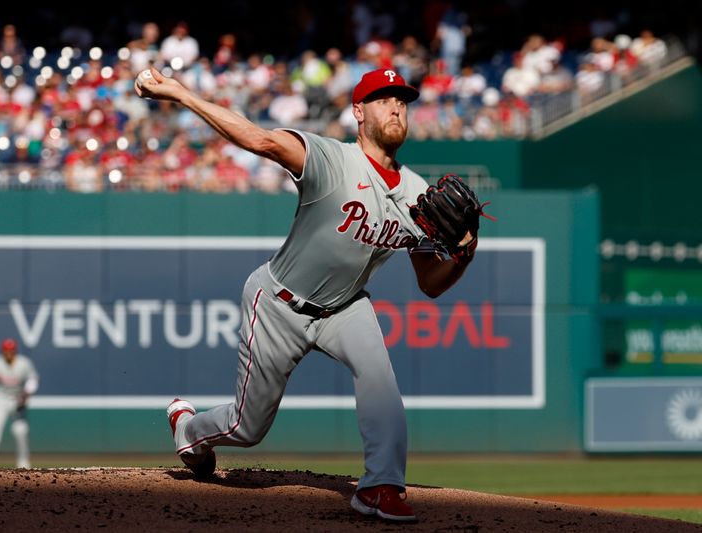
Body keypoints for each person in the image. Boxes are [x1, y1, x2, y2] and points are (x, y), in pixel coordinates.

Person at [134, 66, 478, 522]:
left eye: (403, 100)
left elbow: (429, 284)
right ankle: (188, 429)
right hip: (279, 302)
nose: (396, 106)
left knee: (381, 384)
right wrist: (180, 94)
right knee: (246, 426)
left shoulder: (418, 195)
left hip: (346, 306)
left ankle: (380, 487)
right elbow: (260, 140)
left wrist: (462, 257)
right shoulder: (331, 159)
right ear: (358, 111)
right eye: (382, 98)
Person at [0, 338, 39, 469]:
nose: (8, 353)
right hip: (0, 398)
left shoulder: (24, 363)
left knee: (20, 431)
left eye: (11, 350)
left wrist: (26, 395)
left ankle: (23, 463)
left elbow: (33, 380)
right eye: (6, 350)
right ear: (2, 351)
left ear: (15, 351)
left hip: (17, 399)